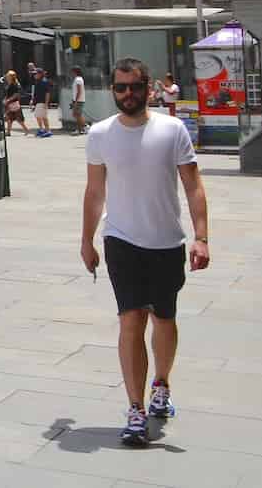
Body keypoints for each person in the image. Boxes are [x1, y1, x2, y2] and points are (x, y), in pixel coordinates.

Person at [80, 59, 210, 447]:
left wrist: (202, 236)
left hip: (167, 242)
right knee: (131, 319)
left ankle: (162, 384)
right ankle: (135, 409)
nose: (127, 94)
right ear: (113, 90)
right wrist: (87, 241)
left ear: (148, 87)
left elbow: (194, 187)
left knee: (164, 319)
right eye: (120, 88)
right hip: (121, 242)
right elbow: (94, 192)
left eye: (134, 87)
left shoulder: (172, 130)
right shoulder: (101, 134)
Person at [2, 69, 28, 135]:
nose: (6, 77)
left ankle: (26, 130)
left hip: (14, 103)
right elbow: (8, 94)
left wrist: (8, 100)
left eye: (8, 76)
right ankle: (8, 132)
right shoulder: (10, 84)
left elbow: (16, 94)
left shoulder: (14, 84)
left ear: (11, 77)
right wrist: (6, 99)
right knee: (9, 118)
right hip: (10, 103)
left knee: (18, 118)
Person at [31, 64, 54, 138]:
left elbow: (47, 93)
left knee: (43, 116)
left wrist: (46, 103)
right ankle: (42, 129)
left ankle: (47, 130)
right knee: (39, 116)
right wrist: (32, 100)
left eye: (35, 73)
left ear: (40, 74)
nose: (34, 75)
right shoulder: (38, 81)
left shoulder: (44, 81)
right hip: (38, 102)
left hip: (42, 102)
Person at [70, 67, 90, 134]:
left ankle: (85, 127)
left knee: (77, 114)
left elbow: (79, 91)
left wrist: (75, 101)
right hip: (77, 100)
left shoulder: (78, 79)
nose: (71, 73)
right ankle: (80, 129)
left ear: (75, 72)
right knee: (76, 114)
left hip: (79, 100)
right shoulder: (77, 79)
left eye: (72, 72)